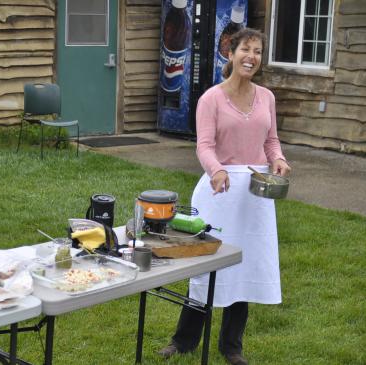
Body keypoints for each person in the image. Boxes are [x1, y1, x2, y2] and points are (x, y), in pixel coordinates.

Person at [158, 28, 291, 365]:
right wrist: (216, 170)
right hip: (218, 192)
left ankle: (232, 346)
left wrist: (278, 159)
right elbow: (204, 146)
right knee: (206, 265)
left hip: (254, 195)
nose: (252, 57)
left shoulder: (267, 98)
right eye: (246, 49)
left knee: (242, 266)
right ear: (230, 53)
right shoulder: (211, 99)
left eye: (258, 51)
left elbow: (271, 140)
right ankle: (184, 341)